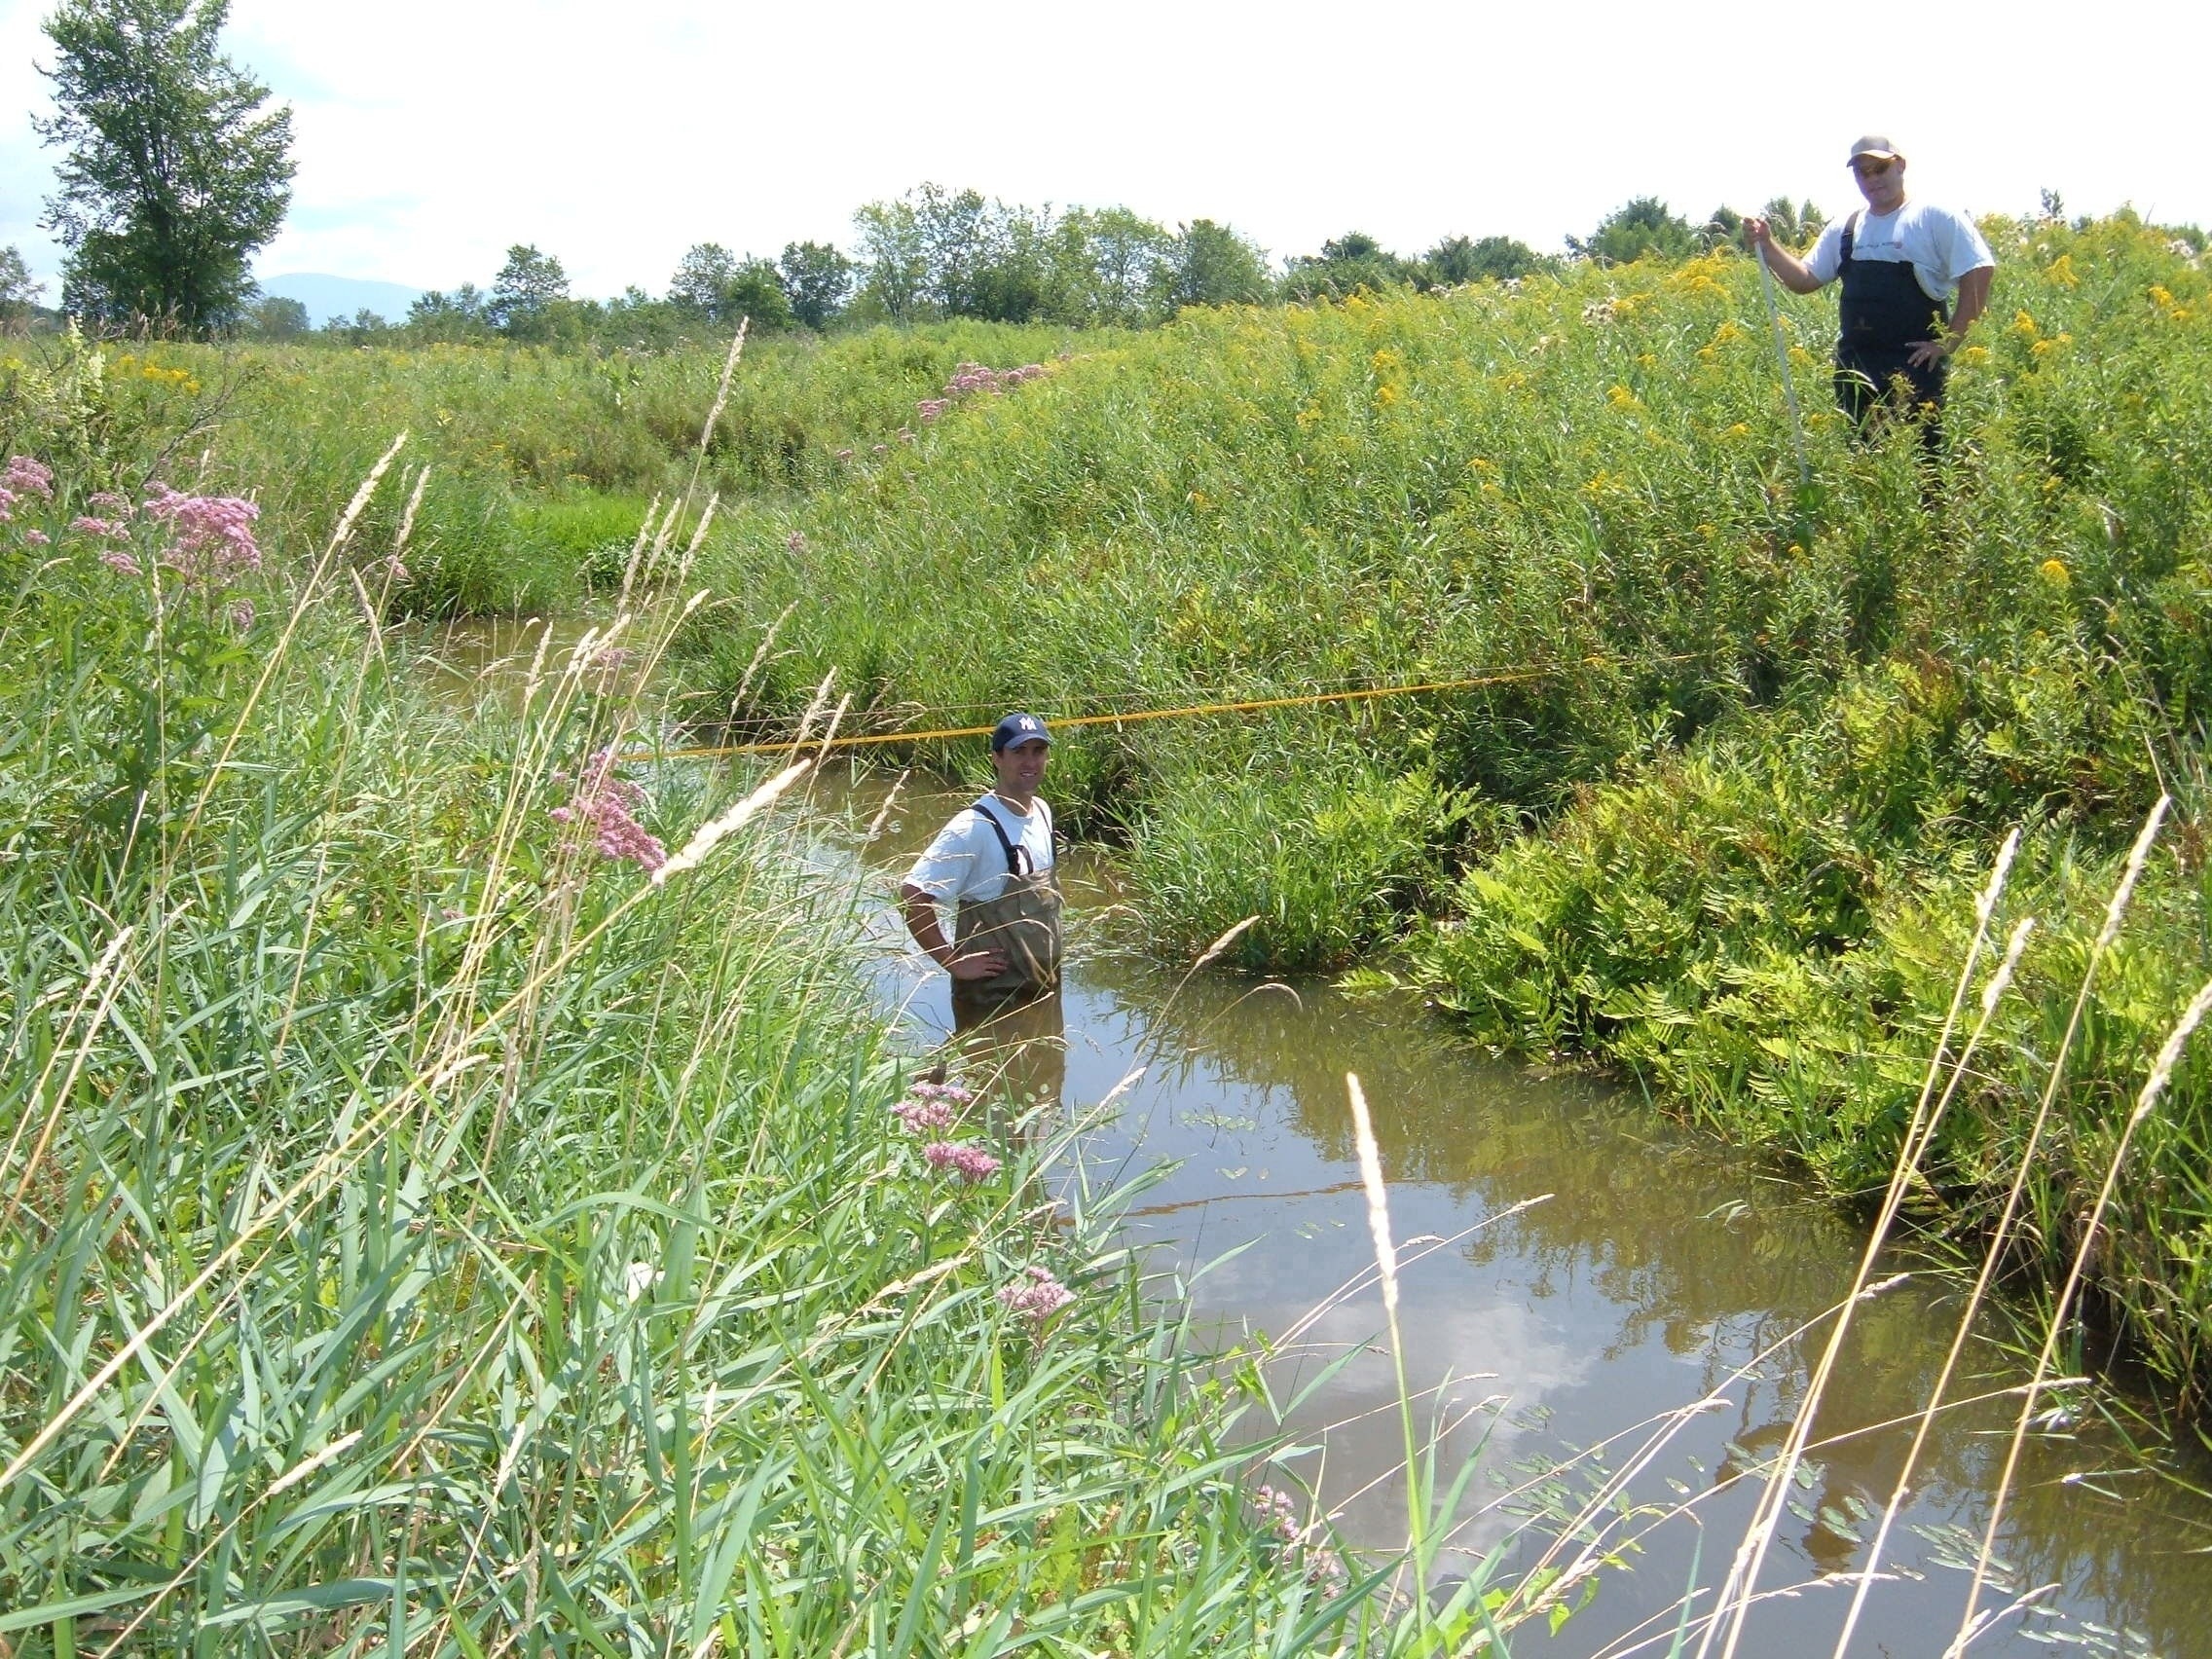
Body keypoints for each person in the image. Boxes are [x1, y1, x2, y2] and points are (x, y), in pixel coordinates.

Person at [1747, 135, 1996, 442]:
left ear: (1900, 166)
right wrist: (1768, 245)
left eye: (1879, 168)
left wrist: (1949, 341)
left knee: (1924, 466)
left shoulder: (1933, 217)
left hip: (1917, 368)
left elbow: (1979, 268)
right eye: (1861, 172)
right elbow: (1803, 280)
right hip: (1857, 369)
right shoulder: (1846, 227)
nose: (1871, 179)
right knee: (1865, 465)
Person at [901, 712, 1064, 1023]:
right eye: (1018, 752)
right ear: (997, 758)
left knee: (1049, 1070)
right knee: (986, 1073)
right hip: (992, 1000)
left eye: (1038, 751)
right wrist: (953, 963)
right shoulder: (972, 828)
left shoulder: (1042, 811)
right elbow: (912, 896)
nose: (1030, 761)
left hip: (1043, 990)